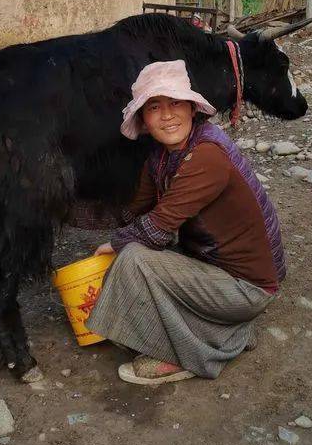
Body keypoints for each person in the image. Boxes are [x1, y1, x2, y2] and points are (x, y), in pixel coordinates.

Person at [87, 59, 285, 386]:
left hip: (246, 288)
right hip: (215, 272)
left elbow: (157, 226)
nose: (167, 115)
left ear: (193, 109)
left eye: (175, 102)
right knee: (142, 256)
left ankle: (186, 354)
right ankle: (225, 329)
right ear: (144, 120)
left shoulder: (207, 155)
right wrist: (66, 208)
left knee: (135, 258)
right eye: (154, 107)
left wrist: (115, 244)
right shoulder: (162, 158)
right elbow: (132, 210)